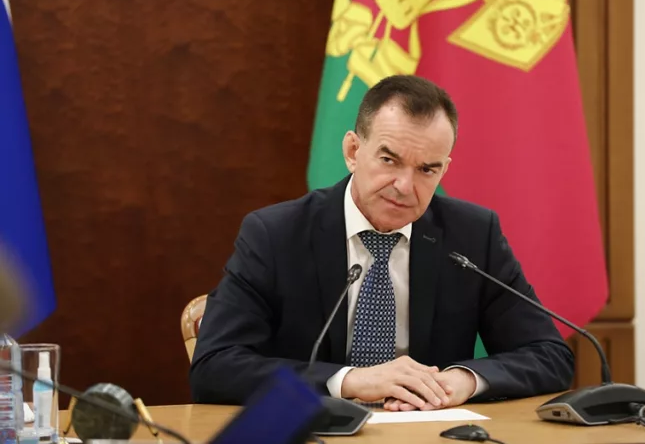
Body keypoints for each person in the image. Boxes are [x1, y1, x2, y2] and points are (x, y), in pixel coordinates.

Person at [190, 75, 574, 411]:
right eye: (389, 160)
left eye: (427, 169)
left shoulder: (472, 236)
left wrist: (462, 381)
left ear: (444, 169)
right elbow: (215, 366)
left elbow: (549, 355)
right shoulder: (276, 234)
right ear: (353, 151)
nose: (405, 186)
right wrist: (350, 380)